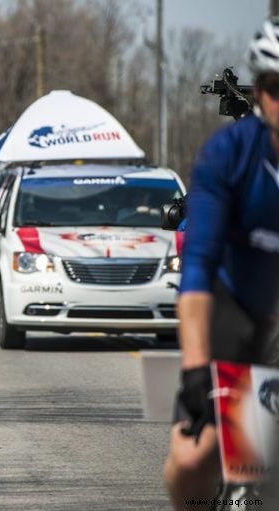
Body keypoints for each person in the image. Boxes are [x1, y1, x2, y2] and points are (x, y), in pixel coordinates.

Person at [163, 18, 279, 510]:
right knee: (195, 458)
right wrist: (194, 372)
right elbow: (197, 272)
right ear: (258, 92)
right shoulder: (227, 155)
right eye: (276, 89)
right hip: (233, 310)